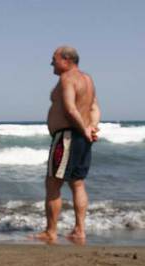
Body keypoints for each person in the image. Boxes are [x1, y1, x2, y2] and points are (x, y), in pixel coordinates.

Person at [35, 46, 100, 242]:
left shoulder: (67, 79)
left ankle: (51, 232)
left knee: (53, 183)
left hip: (67, 138)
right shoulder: (87, 80)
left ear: (66, 60)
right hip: (81, 138)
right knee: (77, 184)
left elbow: (71, 110)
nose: (51, 63)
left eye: (54, 59)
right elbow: (95, 107)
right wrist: (91, 128)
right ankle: (79, 231)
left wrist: (83, 129)